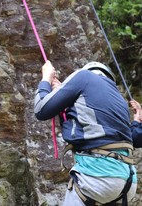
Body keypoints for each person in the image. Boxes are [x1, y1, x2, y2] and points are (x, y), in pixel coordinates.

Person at [34, 60, 137, 206]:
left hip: (98, 176)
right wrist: (61, 93)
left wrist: (46, 77)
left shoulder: (83, 77)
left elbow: (41, 109)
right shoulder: (119, 100)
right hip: (127, 181)